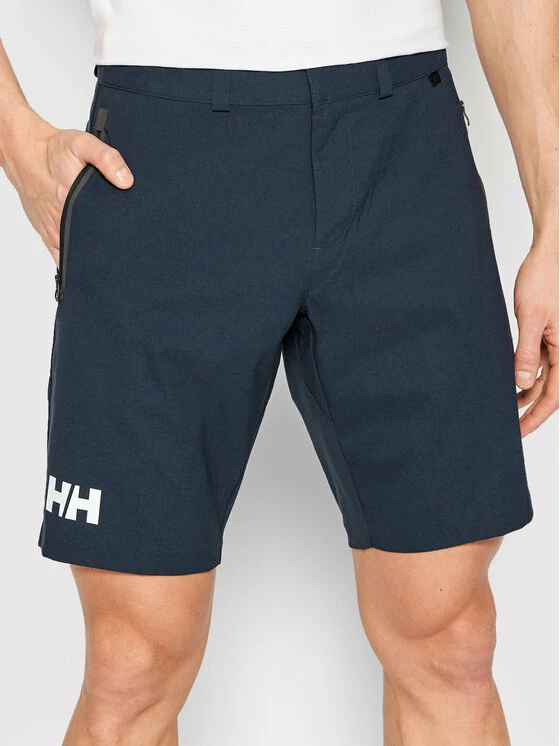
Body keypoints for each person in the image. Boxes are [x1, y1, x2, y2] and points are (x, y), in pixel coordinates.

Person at [0, 0, 557, 743]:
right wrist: (15, 137)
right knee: (133, 662)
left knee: (450, 639)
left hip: (402, 147)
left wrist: (555, 219)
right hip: (159, 151)